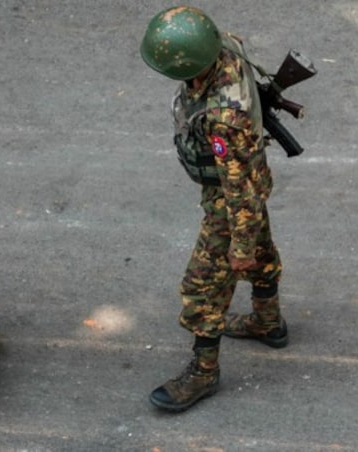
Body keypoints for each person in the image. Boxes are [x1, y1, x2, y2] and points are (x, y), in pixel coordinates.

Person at [140, 6, 289, 412]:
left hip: (232, 197)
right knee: (260, 247)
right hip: (249, 177)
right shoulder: (222, 45)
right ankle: (267, 321)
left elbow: (238, 191)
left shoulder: (224, 119)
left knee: (203, 286)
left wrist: (238, 245)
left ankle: (203, 373)